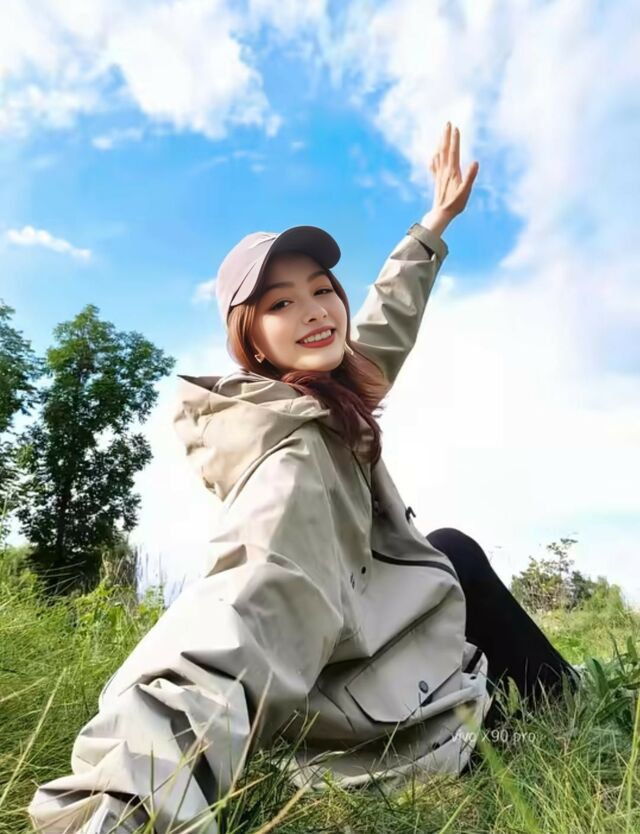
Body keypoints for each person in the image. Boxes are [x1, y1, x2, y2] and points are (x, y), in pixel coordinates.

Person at [28, 122, 577, 834]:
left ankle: (569, 703)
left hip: (363, 681)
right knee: (452, 566)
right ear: (251, 338)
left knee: (451, 550)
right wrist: (124, 805)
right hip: (390, 746)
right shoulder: (293, 461)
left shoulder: (319, 398)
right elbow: (238, 620)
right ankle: (566, 713)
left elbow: (382, 328)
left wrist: (433, 226)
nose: (314, 312)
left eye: (322, 291)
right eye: (281, 303)